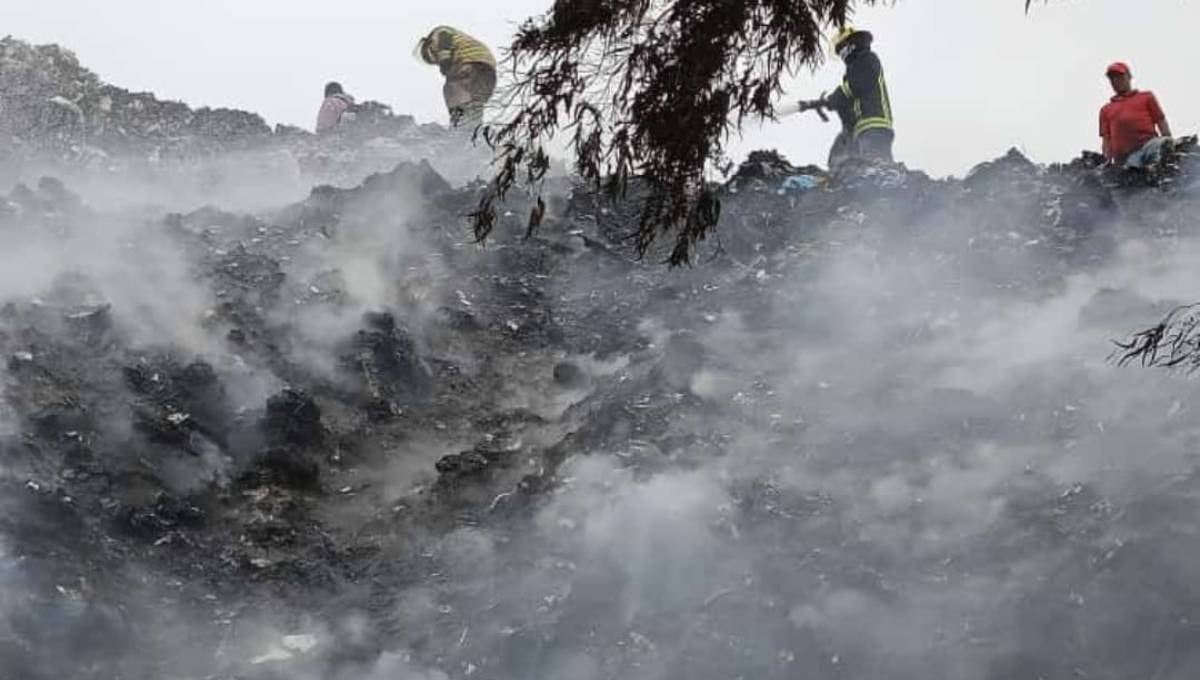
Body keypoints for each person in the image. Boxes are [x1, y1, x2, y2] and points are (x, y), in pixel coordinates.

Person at [797, 26, 894, 167]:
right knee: (859, 169)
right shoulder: (854, 67)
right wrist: (830, 104)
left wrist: (833, 98)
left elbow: (857, 85)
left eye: (840, 48)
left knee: (877, 169)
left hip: (874, 126)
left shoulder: (866, 59)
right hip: (863, 129)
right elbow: (850, 100)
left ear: (850, 45)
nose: (841, 54)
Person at [415, 26, 497, 129]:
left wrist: (444, 66)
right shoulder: (461, 41)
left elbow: (445, 57)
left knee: (451, 88)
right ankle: (473, 131)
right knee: (475, 105)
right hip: (489, 74)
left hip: (470, 66)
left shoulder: (439, 34)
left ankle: (458, 124)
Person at [1099, 62, 1173, 169]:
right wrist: (1107, 161)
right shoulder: (1106, 110)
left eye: (1119, 76)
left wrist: (1169, 141)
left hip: (1148, 145)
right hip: (1126, 157)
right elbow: (1106, 140)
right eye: (1112, 78)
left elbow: (1161, 121)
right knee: (1133, 171)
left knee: (1160, 146)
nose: (1116, 81)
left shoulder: (1146, 97)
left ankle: (1161, 167)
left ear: (1129, 77)